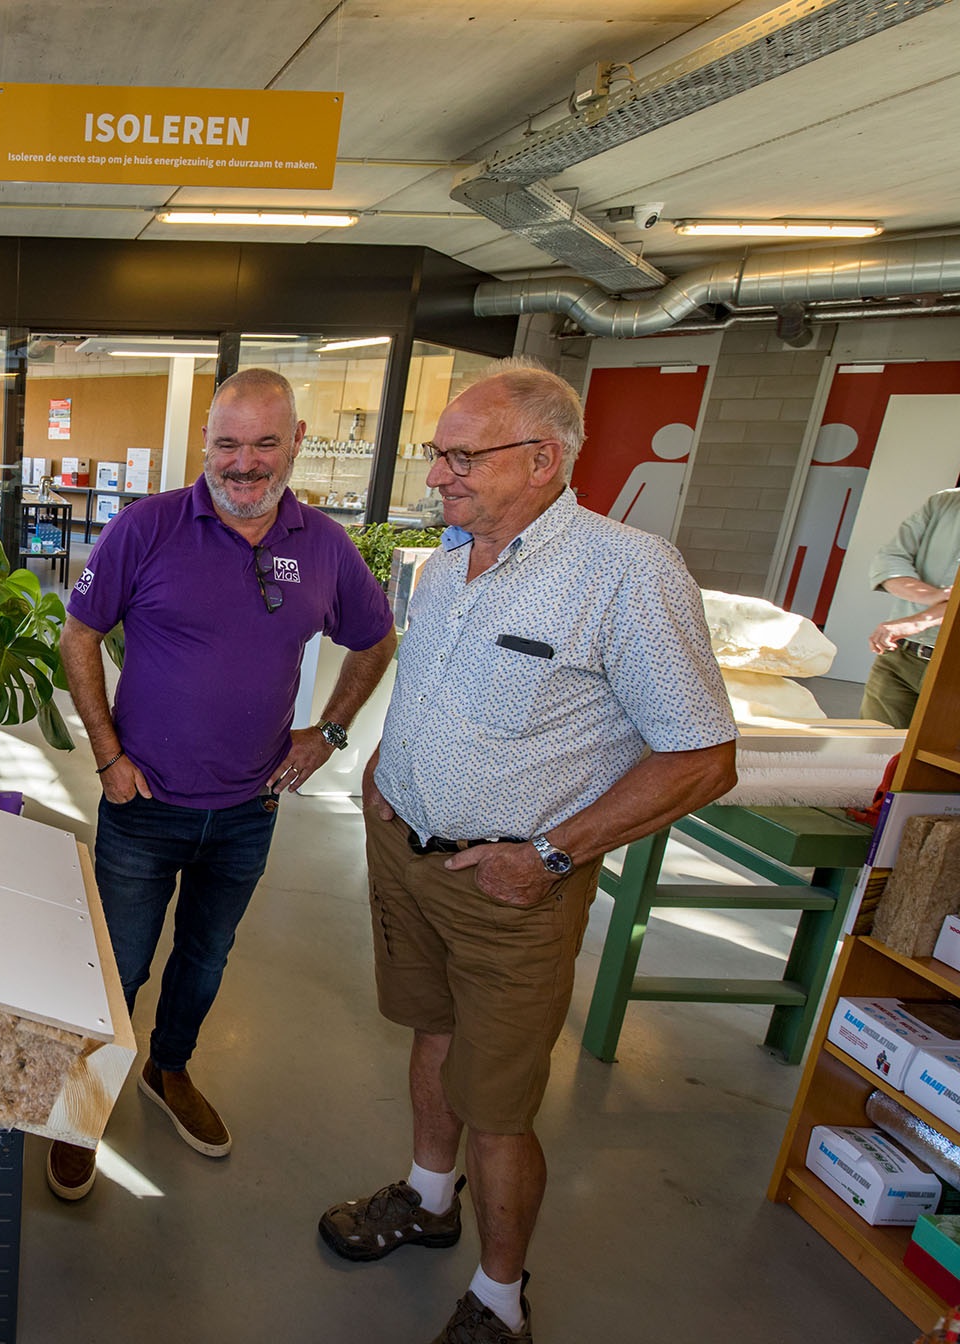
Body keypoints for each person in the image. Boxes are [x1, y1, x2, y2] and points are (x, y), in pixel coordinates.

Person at [319, 359, 736, 1343]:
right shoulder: (443, 561)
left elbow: (703, 757)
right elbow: (435, 686)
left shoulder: (624, 573)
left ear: (543, 459)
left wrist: (551, 854)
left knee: (500, 1105)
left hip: (513, 889)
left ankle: (502, 1299)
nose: (438, 477)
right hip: (407, 858)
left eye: (463, 457)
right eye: (439, 455)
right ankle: (428, 1199)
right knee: (430, 1031)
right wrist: (387, 760)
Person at [54, 366, 397, 1200]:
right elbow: (78, 636)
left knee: (205, 960)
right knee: (118, 964)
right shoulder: (149, 527)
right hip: (145, 802)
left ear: (296, 446)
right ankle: (81, 1101)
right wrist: (106, 753)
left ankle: (167, 1070)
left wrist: (330, 732)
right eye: (228, 444)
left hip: (250, 808)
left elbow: (375, 637)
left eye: (264, 444)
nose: (245, 464)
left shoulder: (323, 545)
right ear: (205, 443)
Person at [862, 486, 960, 728]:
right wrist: (932, 596)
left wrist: (916, 621)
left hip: (952, 665)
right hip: (899, 657)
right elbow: (889, 559)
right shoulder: (943, 503)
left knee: (936, 761)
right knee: (871, 750)